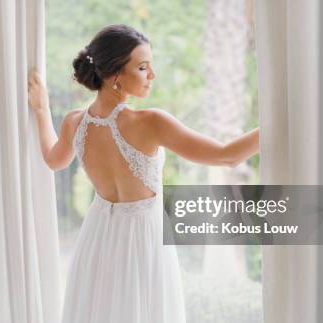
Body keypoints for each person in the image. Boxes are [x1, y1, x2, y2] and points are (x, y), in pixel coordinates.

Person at [28, 24, 259, 323]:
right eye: (142, 67)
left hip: (96, 238)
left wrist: (42, 110)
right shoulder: (149, 122)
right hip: (141, 239)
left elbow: (53, 160)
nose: (152, 75)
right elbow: (227, 155)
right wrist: (279, 123)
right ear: (114, 75)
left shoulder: (75, 123)